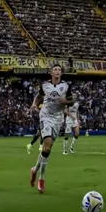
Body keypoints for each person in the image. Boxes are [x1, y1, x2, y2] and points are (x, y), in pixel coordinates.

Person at [30, 65, 73, 193]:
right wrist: (34, 104)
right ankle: (41, 179)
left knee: (47, 149)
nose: (57, 71)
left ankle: (34, 170)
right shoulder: (45, 85)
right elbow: (38, 97)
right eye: (55, 69)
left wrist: (64, 101)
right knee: (47, 145)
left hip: (57, 119)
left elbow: (72, 101)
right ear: (51, 73)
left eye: (59, 70)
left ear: (61, 73)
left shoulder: (66, 86)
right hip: (45, 116)